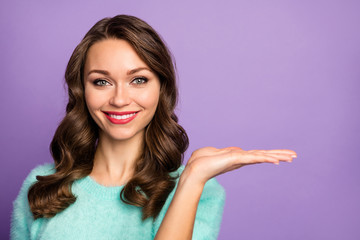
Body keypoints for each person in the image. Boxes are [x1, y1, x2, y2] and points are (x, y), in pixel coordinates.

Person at [10, 15, 297, 240]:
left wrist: (192, 179)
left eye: (139, 80)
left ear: (162, 88)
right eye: (101, 81)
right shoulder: (41, 185)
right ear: (81, 90)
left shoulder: (200, 190)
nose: (120, 99)